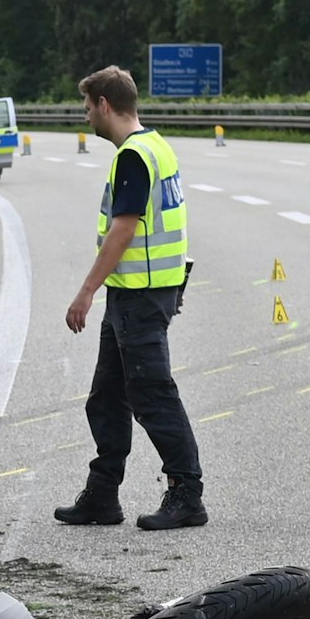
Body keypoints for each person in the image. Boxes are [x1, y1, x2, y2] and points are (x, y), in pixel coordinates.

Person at [54, 66, 206, 531]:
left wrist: (85, 292)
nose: (86, 118)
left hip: (141, 297)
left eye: (87, 108)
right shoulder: (155, 145)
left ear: (104, 104)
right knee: (106, 398)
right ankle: (103, 495)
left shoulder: (136, 156)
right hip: (135, 293)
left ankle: (186, 494)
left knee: (152, 395)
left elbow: (123, 229)